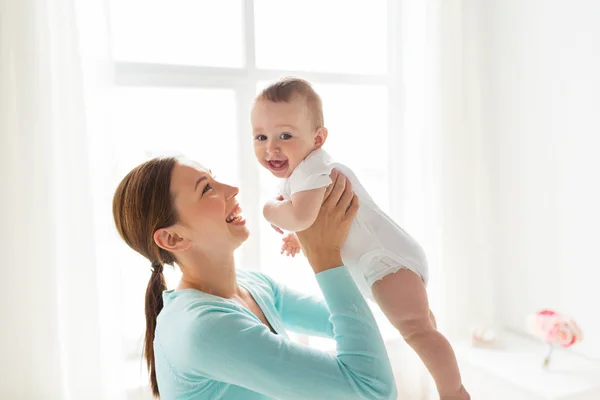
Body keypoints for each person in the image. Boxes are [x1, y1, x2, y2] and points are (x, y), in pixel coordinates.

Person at [252, 77, 469, 400]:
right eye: (261, 136)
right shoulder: (301, 173)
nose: (272, 147)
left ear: (318, 138)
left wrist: (269, 211)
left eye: (285, 135)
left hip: (385, 263)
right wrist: (299, 237)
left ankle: (455, 393)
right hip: (382, 263)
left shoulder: (313, 169)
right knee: (424, 328)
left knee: (418, 332)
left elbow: (302, 215)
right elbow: (314, 218)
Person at [112, 156, 397, 400]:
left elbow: (353, 326)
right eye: (207, 189)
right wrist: (325, 257)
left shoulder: (253, 286)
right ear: (173, 238)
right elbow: (373, 391)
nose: (232, 189)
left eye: (215, 178)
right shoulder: (205, 328)